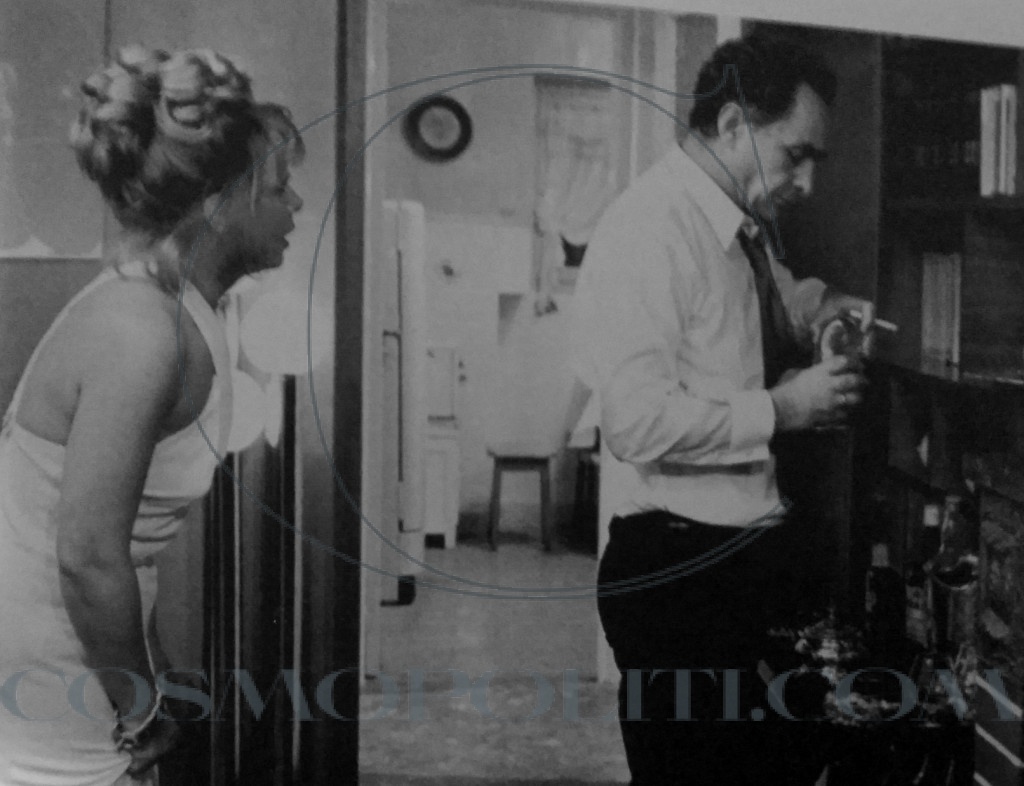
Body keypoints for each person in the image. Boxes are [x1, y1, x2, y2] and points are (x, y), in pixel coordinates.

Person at [572, 34, 875, 785]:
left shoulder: (735, 220)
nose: (807, 182)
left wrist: (824, 309)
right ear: (735, 123)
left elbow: (767, 293)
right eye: (795, 154)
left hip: (736, 568)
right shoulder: (650, 227)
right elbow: (636, 423)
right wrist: (784, 409)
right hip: (680, 579)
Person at [0, 46, 303, 784]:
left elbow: (124, 543)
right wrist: (141, 710)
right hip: (45, 660)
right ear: (218, 201)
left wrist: (150, 672)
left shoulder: (183, 311)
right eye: (278, 187)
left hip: (72, 645)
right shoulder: (139, 329)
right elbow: (87, 554)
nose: (295, 204)